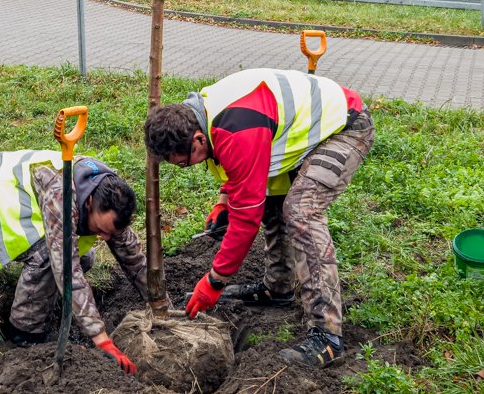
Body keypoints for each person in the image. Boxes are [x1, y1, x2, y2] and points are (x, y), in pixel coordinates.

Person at [146, 68, 374, 368]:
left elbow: (246, 221)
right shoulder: (203, 114)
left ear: (198, 138)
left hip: (346, 126)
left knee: (301, 210)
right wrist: (223, 200)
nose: (185, 166)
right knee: (273, 201)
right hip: (301, 133)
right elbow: (242, 170)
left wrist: (214, 281)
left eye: (185, 162)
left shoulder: (236, 129)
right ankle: (278, 286)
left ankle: (327, 335)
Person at [0, 150, 163, 375]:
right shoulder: (60, 194)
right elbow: (66, 268)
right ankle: (24, 331)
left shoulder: (107, 192)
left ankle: (33, 297)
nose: (104, 238)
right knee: (49, 257)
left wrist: (161, 306)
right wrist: (101, 339)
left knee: (85, 257)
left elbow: (133, 258)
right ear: (89, 203)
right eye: (100, 230)